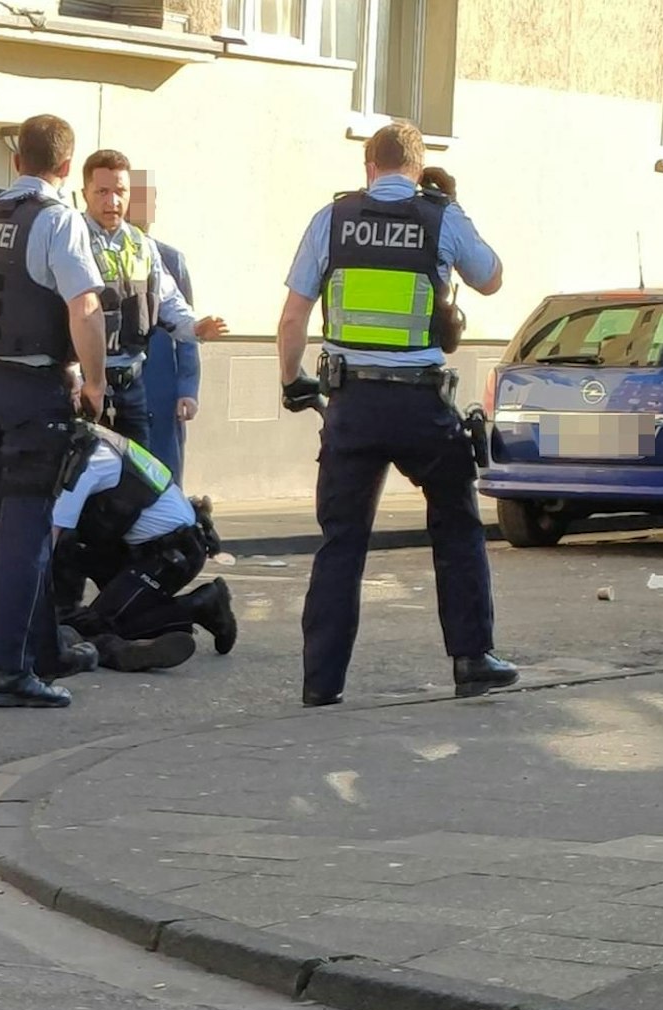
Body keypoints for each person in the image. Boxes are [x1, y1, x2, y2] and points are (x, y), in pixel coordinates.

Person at [277, 121, 514, 707]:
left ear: (367, 166)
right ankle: (471, 659)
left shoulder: (330, 220)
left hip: (350, 404)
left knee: (341, 540)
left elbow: (291, 318)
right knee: (457, 523)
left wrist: (292, 382)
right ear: (418, 166)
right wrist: (452, 208)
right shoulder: (441, 217)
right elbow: (491, 278)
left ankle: (320, 683)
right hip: (420, 405)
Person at [0, 113, 111, 708]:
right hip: (31, 390)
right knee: (26, 531)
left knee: (18, 526)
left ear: (18, 158)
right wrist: (94, 381)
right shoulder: (57, 221)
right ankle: (7, 672)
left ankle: (44, 650)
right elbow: (86, 308)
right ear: (67, 167)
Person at [52, 421, 236, 666]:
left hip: (174, 552)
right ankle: (98, 622)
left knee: (101, 623)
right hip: (138, 548)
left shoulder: (86, 461)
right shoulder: (89, 438)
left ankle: (201, 606)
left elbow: (50, 536)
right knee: (75, 560)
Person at [79, 149, 227, 446]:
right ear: (85, 193)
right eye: (102, 192)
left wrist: (196, 328)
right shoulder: (70, 237)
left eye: (120, 191)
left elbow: (169, 302)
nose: (113, 202)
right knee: (80, 481)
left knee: (139, 482)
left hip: (131, 387)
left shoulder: (141, 245)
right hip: (83, 385)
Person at [140, 239, 201, 484]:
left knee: (163, 472)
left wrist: (188, 388)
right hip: (109, 378)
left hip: (160, 382)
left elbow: (187, 327)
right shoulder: (84, 244)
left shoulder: (169, 258)